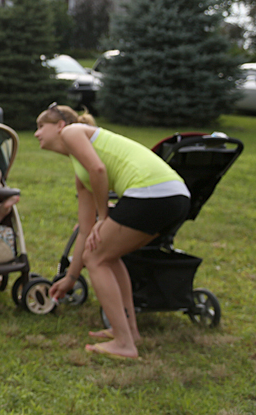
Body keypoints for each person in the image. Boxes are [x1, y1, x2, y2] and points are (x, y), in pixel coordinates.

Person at [38, 103, 190, 360]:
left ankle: (124, 344)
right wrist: (70, 278)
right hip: (175, 196)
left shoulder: (73, 131)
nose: (36, 133)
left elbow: (100, 170)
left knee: (96, 258)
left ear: (60, 126)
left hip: (151, 192)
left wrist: (104, 216)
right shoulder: (80, 170)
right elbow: (86, 230)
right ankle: (129, 332)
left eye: (41, 126)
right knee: (106, 255)